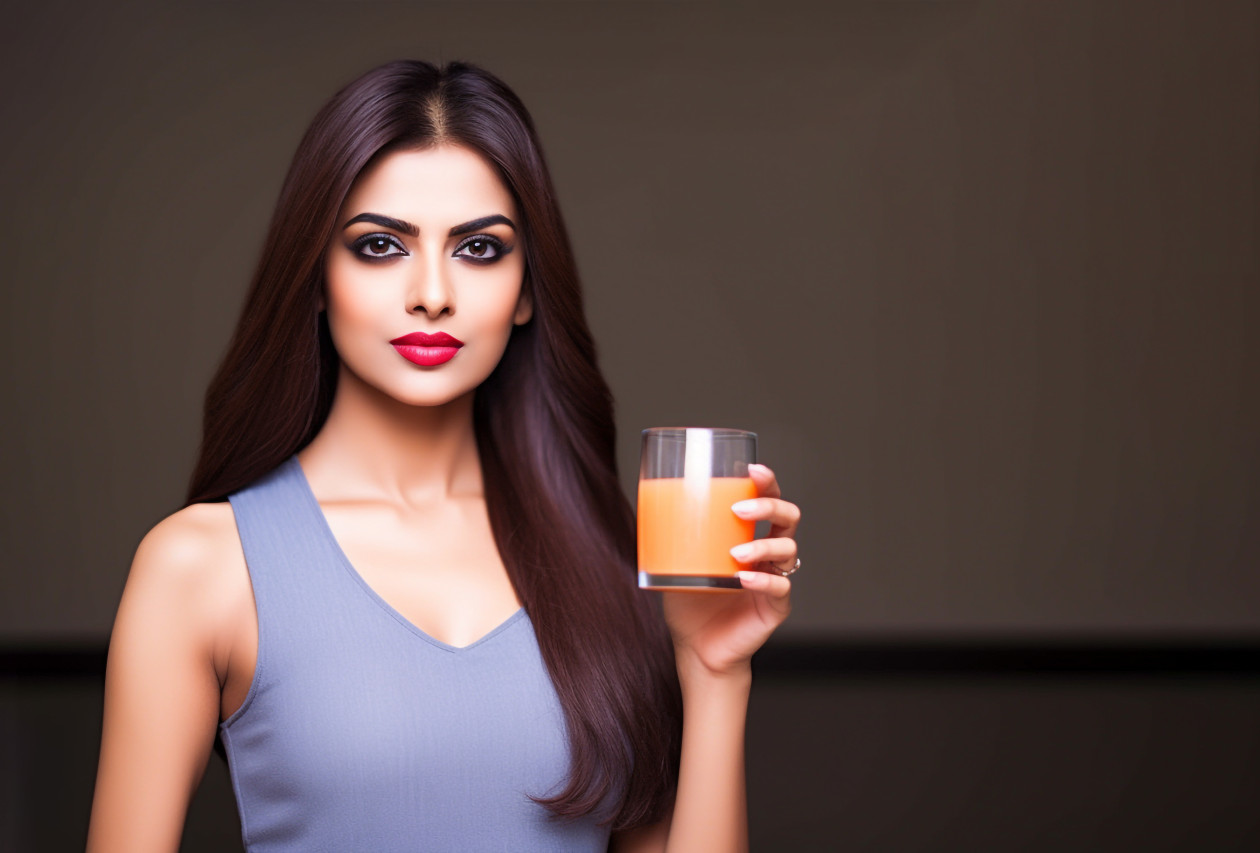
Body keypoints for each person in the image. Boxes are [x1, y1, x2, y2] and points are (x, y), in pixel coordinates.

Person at [87, 59, 800, 852]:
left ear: (528, 288)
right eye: (381, 245)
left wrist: (711, 668)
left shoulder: (615, 561)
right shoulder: (200, 566)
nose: (433, 291)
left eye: (480, 249)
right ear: (317, 278)